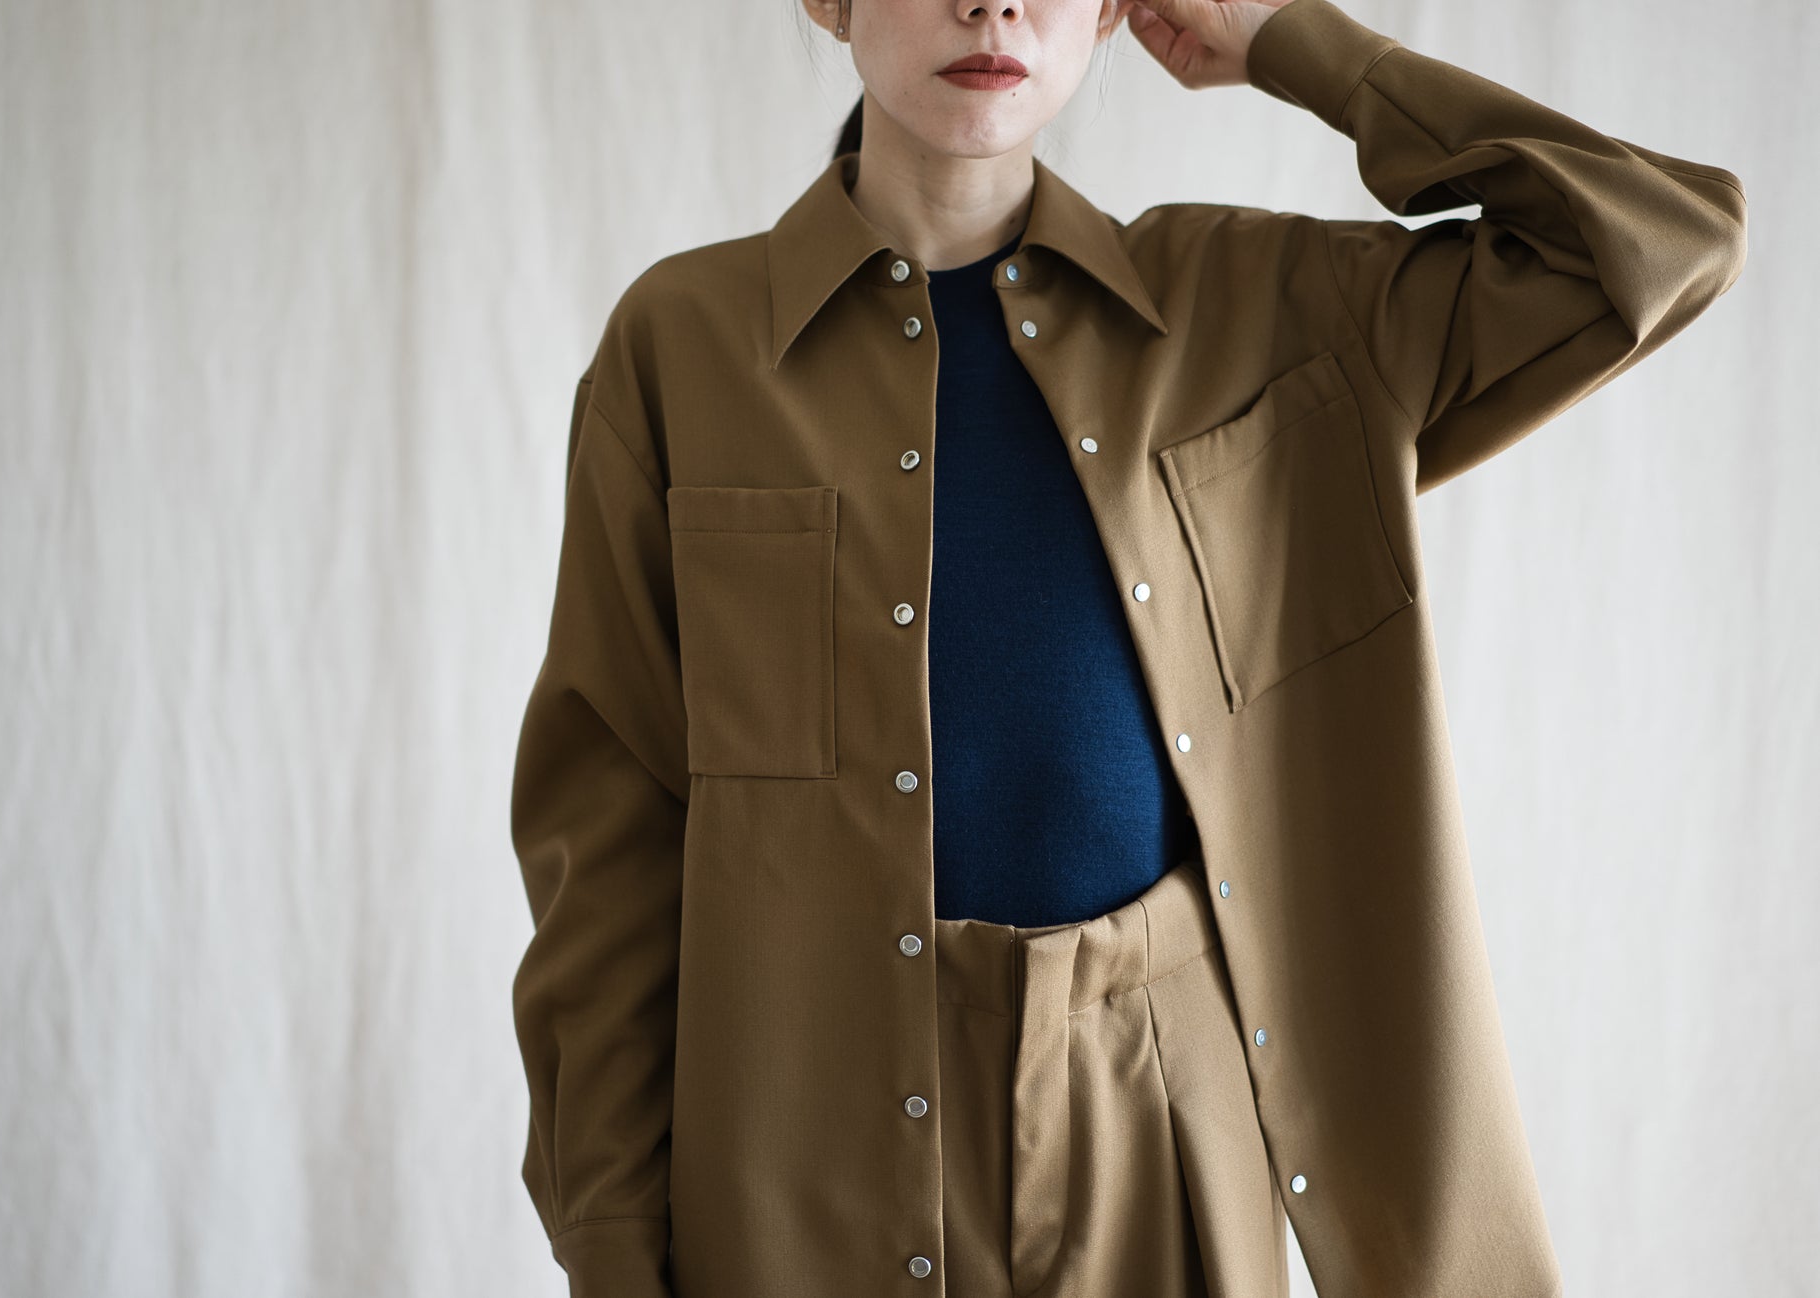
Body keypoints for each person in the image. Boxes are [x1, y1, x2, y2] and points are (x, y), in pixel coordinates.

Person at [508, 1, 1747, 1295]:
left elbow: (1662, 238)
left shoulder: (1257, 309)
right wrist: (610, 1245)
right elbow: (607, 843)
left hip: (1161, 1130)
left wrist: (1291, 42)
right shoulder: (683, 347)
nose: (992, 5)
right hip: (797, 1154)